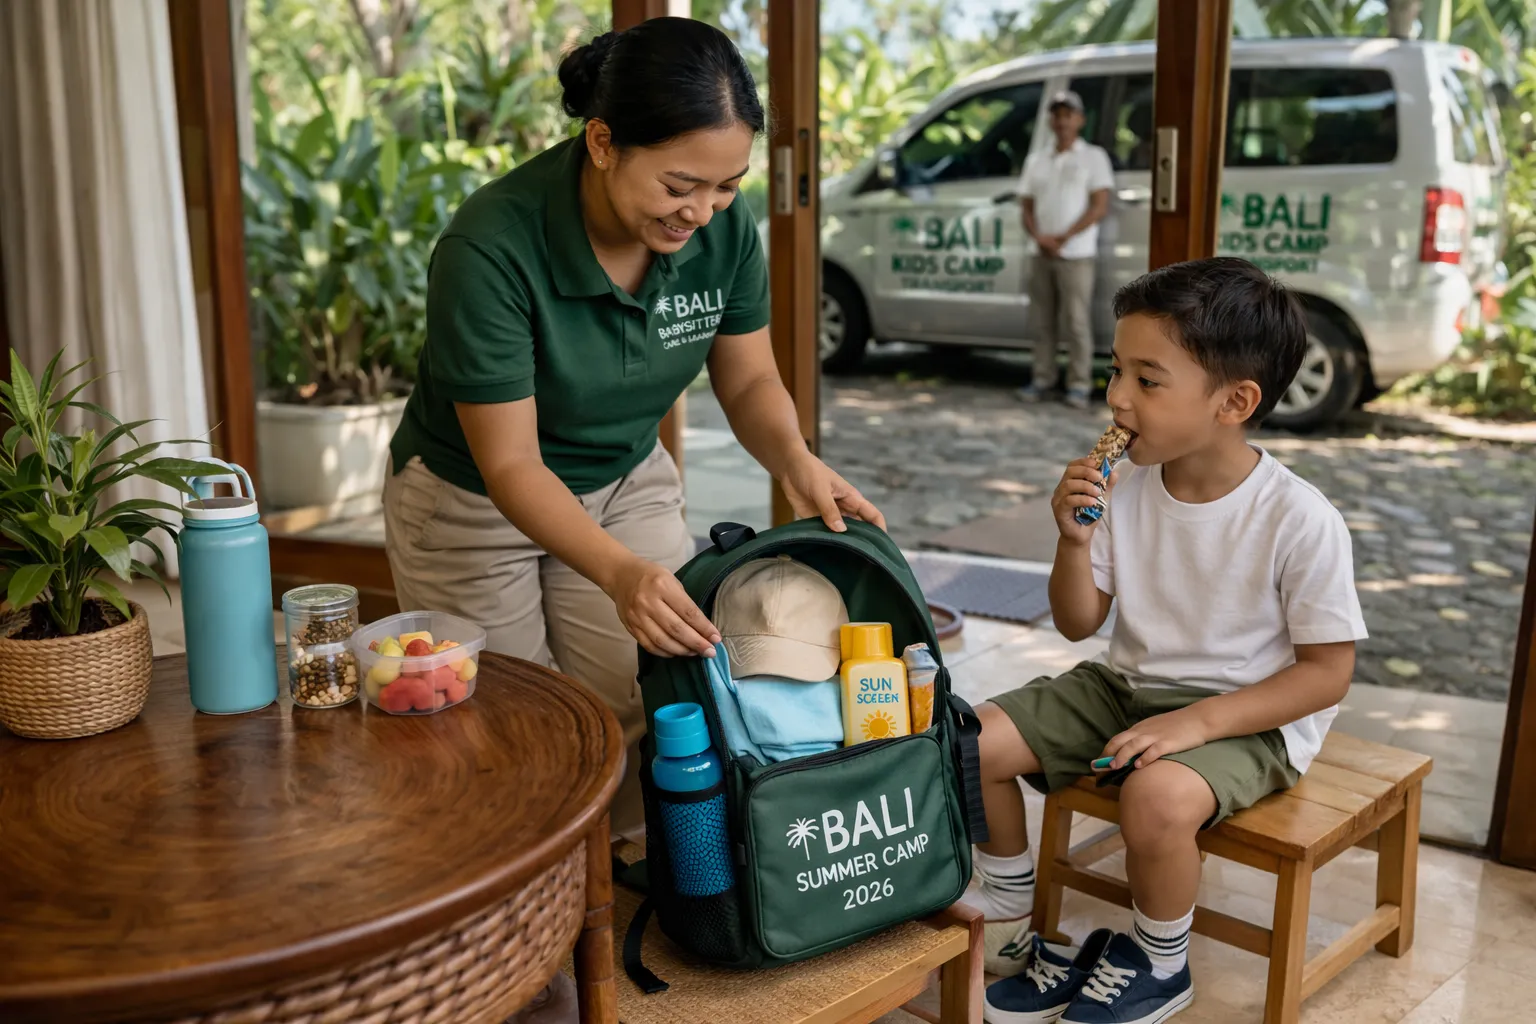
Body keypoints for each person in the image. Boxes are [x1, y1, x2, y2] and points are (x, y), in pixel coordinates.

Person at [382, 18, 884, 845]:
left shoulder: (721, 225)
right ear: (604, 141)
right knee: (508, 729)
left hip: (622, 474)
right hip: (473, 503)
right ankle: (522, 935)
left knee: (650, 697)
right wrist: (622, 575)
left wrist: (793, 459)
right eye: (681, 184)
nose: (704, 211)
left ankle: (615, 895)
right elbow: (509, 462)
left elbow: (751, 376)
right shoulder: (490, 246)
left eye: (727, 186)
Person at [970, 258, 1367, 1024]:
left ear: (1235, 401)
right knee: (972, 740)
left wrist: (1193, 724)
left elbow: (1326, 675)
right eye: (1117, 370)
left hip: (1248, 716)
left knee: (1155, 798)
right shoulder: (1125, 488)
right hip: (1126, 685)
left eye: (1148, 381)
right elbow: (1079, 622)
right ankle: (1017, 922)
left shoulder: (1298, 518)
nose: (1116, 397)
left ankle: (1160, 962)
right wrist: (1071, 541)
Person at [1017, 89, 1115, 410]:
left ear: (1080, 119)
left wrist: (1064, 237)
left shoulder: (1093, 157)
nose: (1062, 121)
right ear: (1050, 120)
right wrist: (1041, 237)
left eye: (1068, 114)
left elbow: (1099, 206)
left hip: (1077, 254)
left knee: (1075, 321)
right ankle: (1042, 378)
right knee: (1042, 321)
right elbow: (1027, 206)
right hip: (1041, 252)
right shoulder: (1036, 160)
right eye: (1057, 114)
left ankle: (1078, 384)